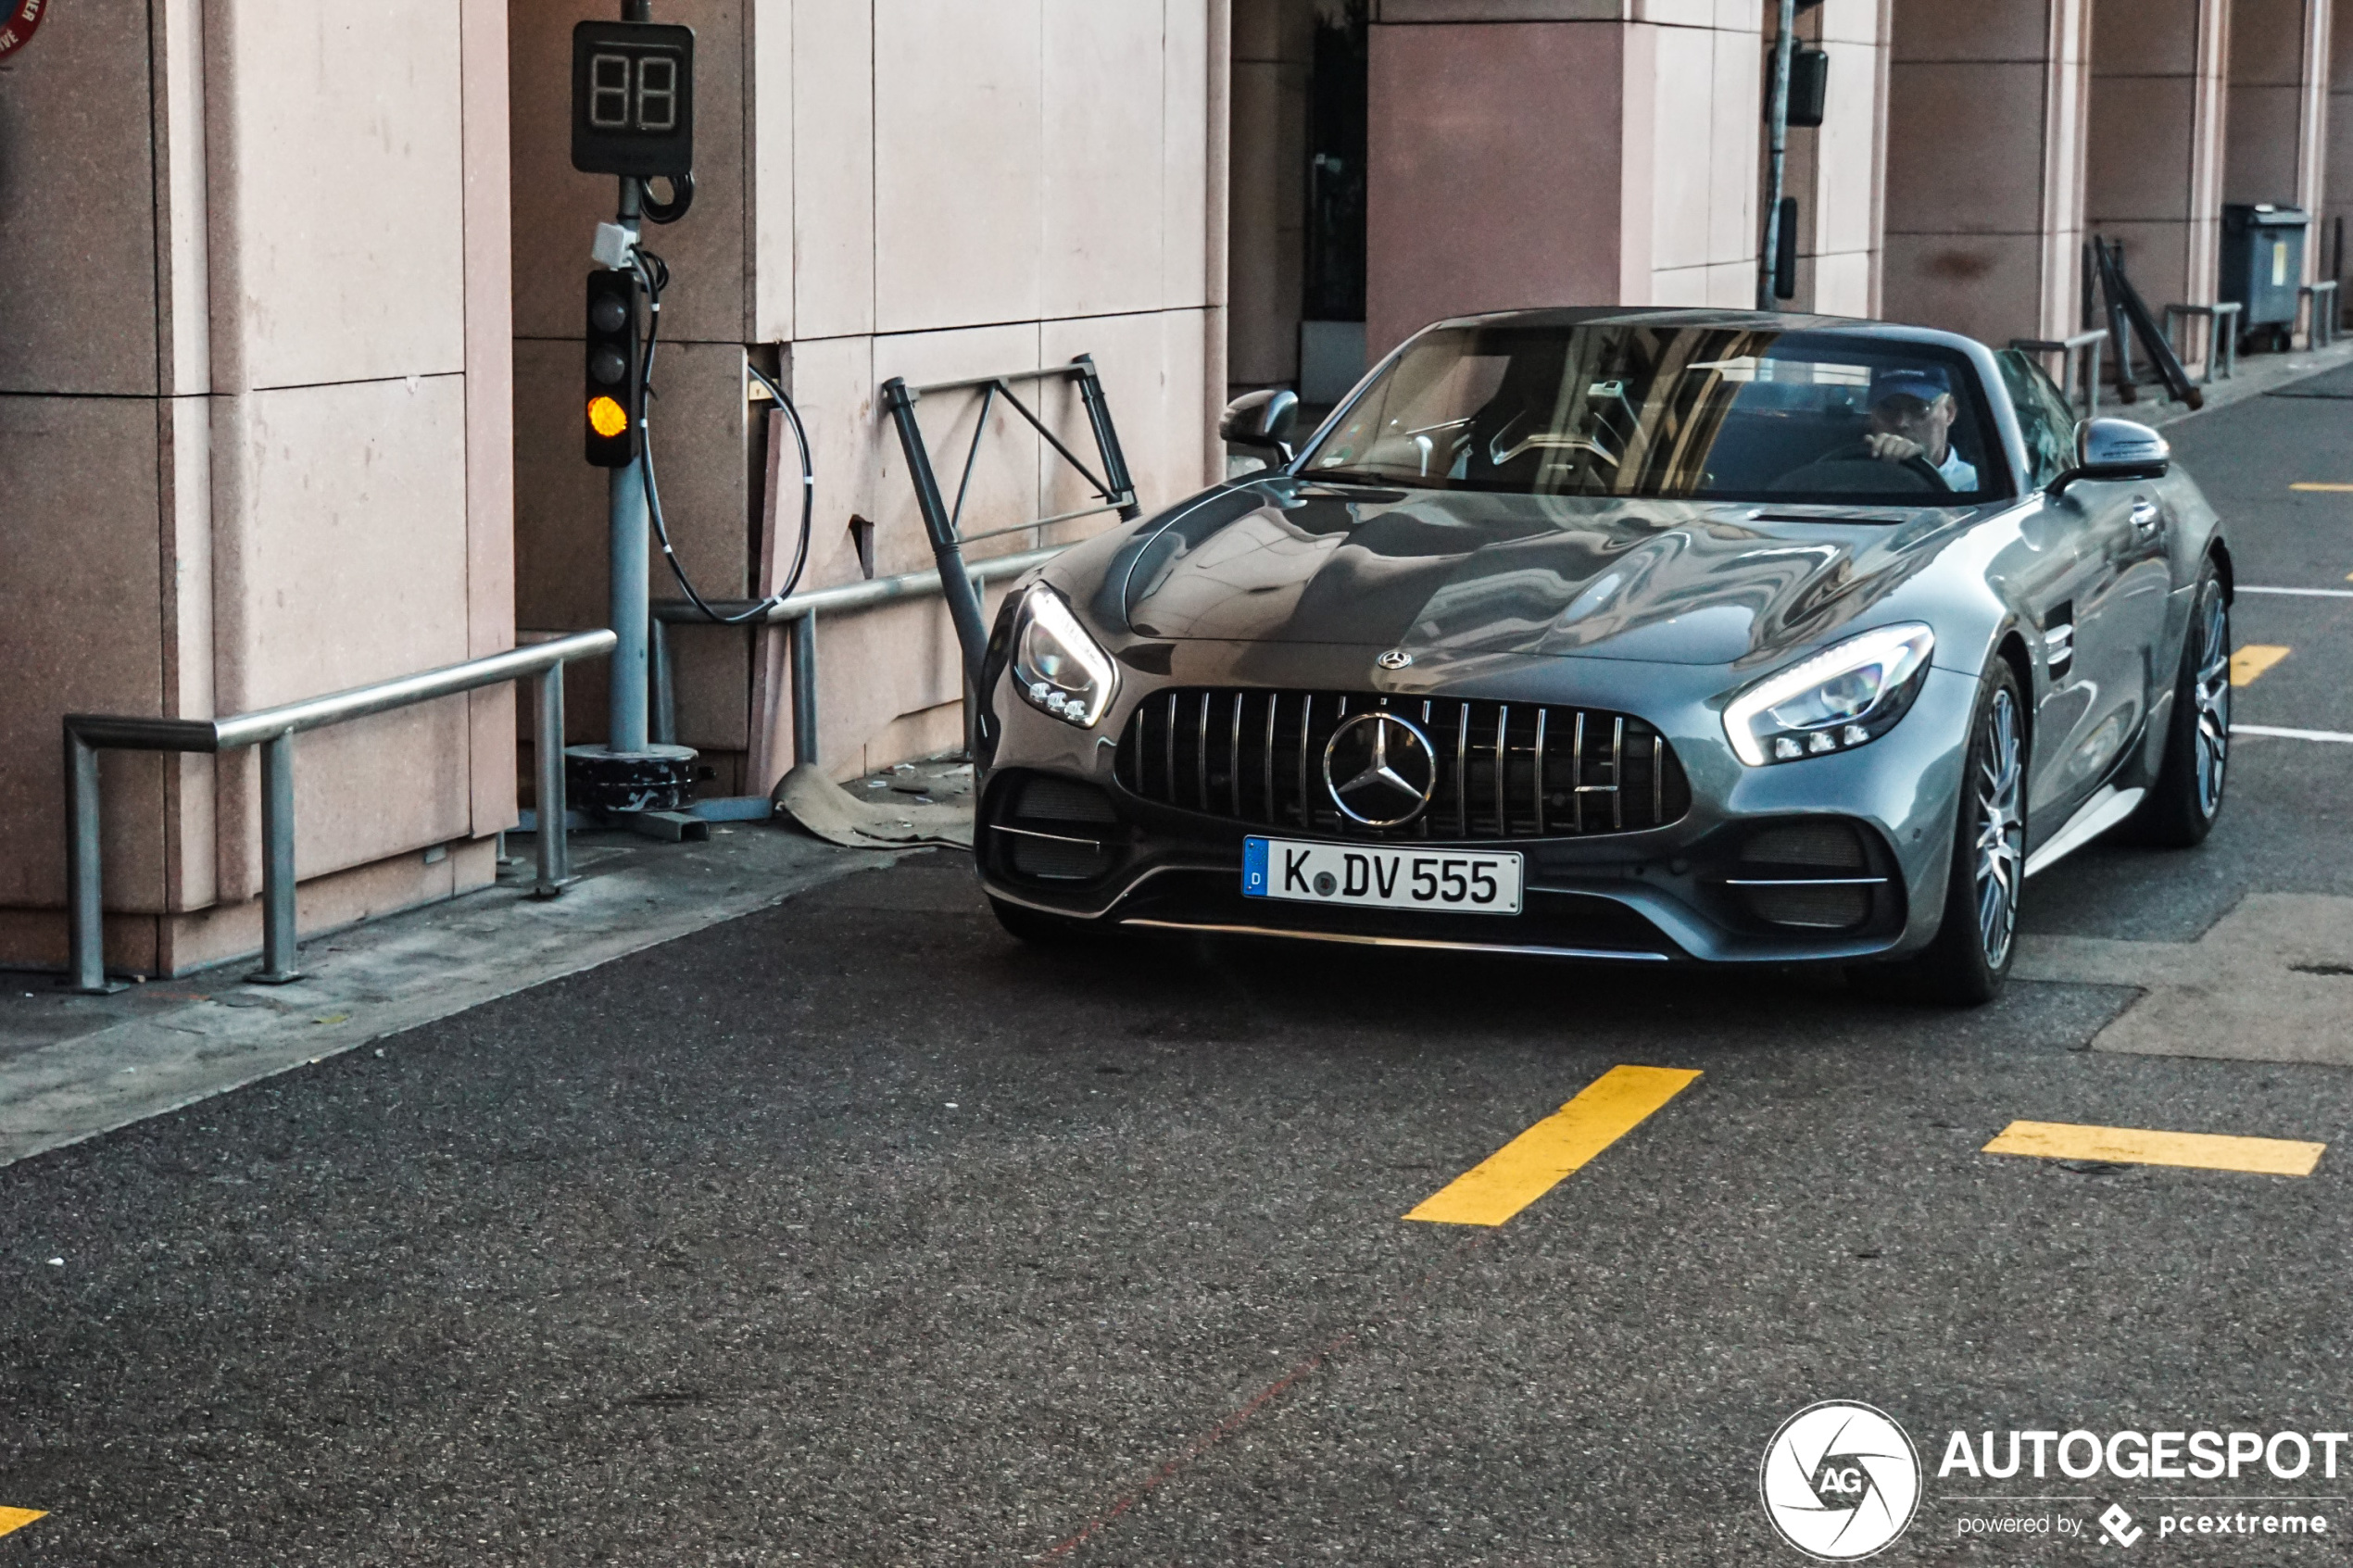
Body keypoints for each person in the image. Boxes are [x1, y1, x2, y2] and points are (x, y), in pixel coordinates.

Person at [1862, 367, 1977, 492]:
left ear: (1949, 412)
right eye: (1887, 407)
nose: (1901, 422)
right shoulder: (1854, 475)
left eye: (1919, 407)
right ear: (1872, 414)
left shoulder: (1974, 485)